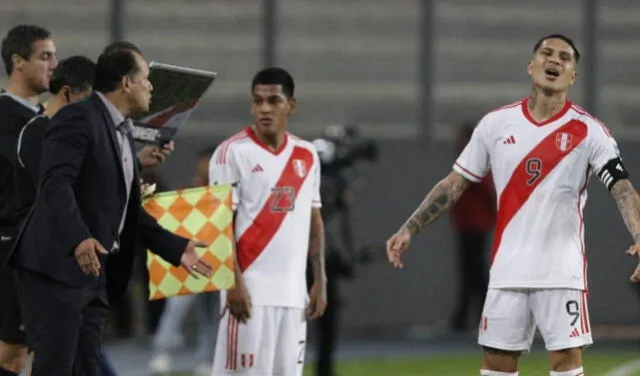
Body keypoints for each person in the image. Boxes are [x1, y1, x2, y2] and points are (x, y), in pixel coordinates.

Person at [385, 34, 640, 376]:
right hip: (507, 270)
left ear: (573, 76)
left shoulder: (589, 131)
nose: (554, 60)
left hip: (561, 271)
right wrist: (409, 227)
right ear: (531, 66)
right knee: (497, 365)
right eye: (547, 53)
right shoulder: (496, 125)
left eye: (564, 58)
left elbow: (622, 189)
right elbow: (454, 184)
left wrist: (639, 232)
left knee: (566, 363)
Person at [10, 41, 212, 376]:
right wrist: (79, 238)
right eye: (146, 77)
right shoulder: (78, 116)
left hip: (92, 273)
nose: (151, 86)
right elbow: (55, 183)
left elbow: (128, 211)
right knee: (55, 369)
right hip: (58, 270)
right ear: (126, 83)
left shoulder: (121, 131)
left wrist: (176, 247)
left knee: (87, 368)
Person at [209, 67, 327, 376]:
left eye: (274, 100)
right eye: (258, 101)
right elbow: (219, 224)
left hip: (293, 296)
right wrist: (233, 284)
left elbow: (314, 220)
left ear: (291, 105)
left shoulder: (307, 154)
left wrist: (320, 279)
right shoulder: (232, 153)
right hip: (249, 295)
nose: (264, 108)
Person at [0, 24, 56, 376]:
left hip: (42, 250)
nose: (54, 64)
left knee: (37, 353)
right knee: (11, 355)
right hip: (10, 248)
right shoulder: (7, 116)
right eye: (45, 56)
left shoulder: (40, 118)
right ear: (19, 62)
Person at [147, 146, 220, 376]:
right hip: (189, 259)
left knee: (211, 313)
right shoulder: (187, 193)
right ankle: (162, 352)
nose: (206, 167)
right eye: (204, 162)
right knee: (176, 308)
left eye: (210, 163)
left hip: (218, 260)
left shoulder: (226, 195)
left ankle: (206, 358)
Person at [448, 123, 496, 332]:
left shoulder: (475, 163)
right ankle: (470, 317)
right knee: (471, 272)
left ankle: (476, 317)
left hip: (475, 225)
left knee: (474, 272)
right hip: (467, 225)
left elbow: (487, 193)